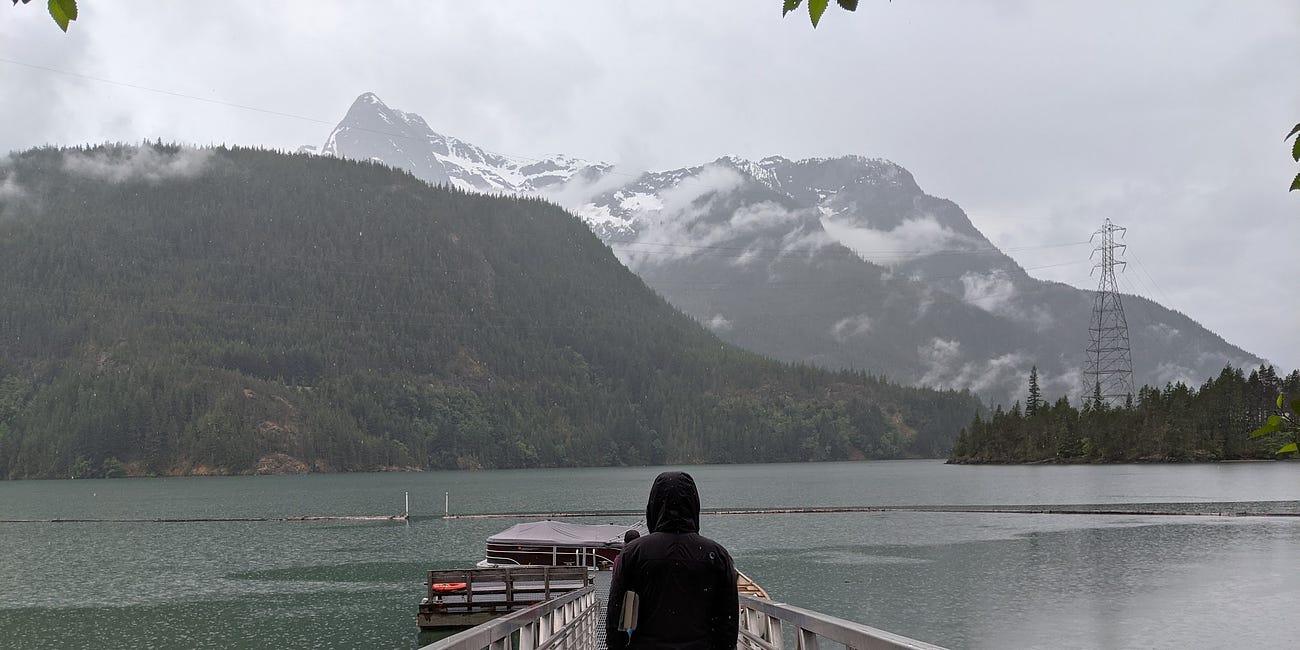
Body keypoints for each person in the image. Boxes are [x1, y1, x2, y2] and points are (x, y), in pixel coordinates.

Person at [606, 471, 738, 650]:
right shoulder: (716, 555)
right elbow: (728, 622)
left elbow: (615, 616)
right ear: (694, 504)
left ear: (653, 505)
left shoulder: (633, 553)